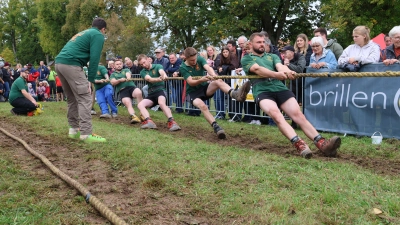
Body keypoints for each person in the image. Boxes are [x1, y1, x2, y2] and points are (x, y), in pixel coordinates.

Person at [241, 32, 341, 158]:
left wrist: (289, 72)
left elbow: (280, 66)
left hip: (279, 87)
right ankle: (300, 144)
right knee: (276, 115)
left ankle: (323, 144)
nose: (262, 44)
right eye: (258, 42)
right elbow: (257, 70)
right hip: (262, 90)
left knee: (298, 115)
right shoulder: (246, 58)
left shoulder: (272, 56)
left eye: (263, 42)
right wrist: (277, 75)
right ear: (250, 44)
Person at [55, 17, 107, 143]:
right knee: (85, 98)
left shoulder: (84, 33)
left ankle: (73, 130)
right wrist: (92, 78)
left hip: (59, 63)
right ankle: (86, 133)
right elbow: (95, 58)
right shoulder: (98, 35)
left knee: (72, 98)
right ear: (103, 29)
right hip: (71, 64)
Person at [181, 47, 251, 139]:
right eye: (191, 60)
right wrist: (202, 79)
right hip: (192, 93)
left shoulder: (200, 59)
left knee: (218, 81)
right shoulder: (183, 67)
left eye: (195, 59)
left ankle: (235, 94)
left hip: (204, 88)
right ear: (185, 58)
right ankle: (216, 127)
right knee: (203, 107)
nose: (194, 62)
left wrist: (214, 75)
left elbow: (208, 67)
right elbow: (190, 82)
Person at [137, 54, 181, 131]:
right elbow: (149, 79)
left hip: (160, 90)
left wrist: (164, 75)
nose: (144, 65)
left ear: (148, 59)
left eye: (144, 62)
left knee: (161, 103)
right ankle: (149, 121)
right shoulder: (143, 72)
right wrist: (159, 79)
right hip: (151, 94)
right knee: (140, 104)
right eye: (141, 64)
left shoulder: (157, 66)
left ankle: (172, 122)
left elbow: (162, 72)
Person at [110, 59, 143, 123]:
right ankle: (133, 116)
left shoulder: (126, 70)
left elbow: (128, 74)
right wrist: (119, 80)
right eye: (117, 64)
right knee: (127, 102)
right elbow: (113, 82)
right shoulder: (113, 74)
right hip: (122, 90)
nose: (119, 65)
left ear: (122, 64)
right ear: (114, 66)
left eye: (120, 64)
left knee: (138, 92)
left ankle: (142, 113)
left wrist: (128, 77)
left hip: (131, 87)